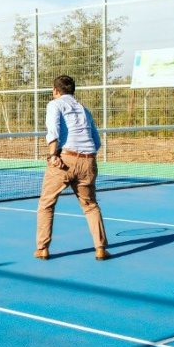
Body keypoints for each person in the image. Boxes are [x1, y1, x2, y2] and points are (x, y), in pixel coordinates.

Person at [35, 75, 110, 260]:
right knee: (90, 206)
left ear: (55, 91)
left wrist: (53, 155)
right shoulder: (85, 110)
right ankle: (100, 248)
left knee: (46, 204)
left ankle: (42, 248)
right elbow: (97, 141)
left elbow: (53, 130)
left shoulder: (55, 104)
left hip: (64, 161)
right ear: (72, 90)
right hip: (89, 161)